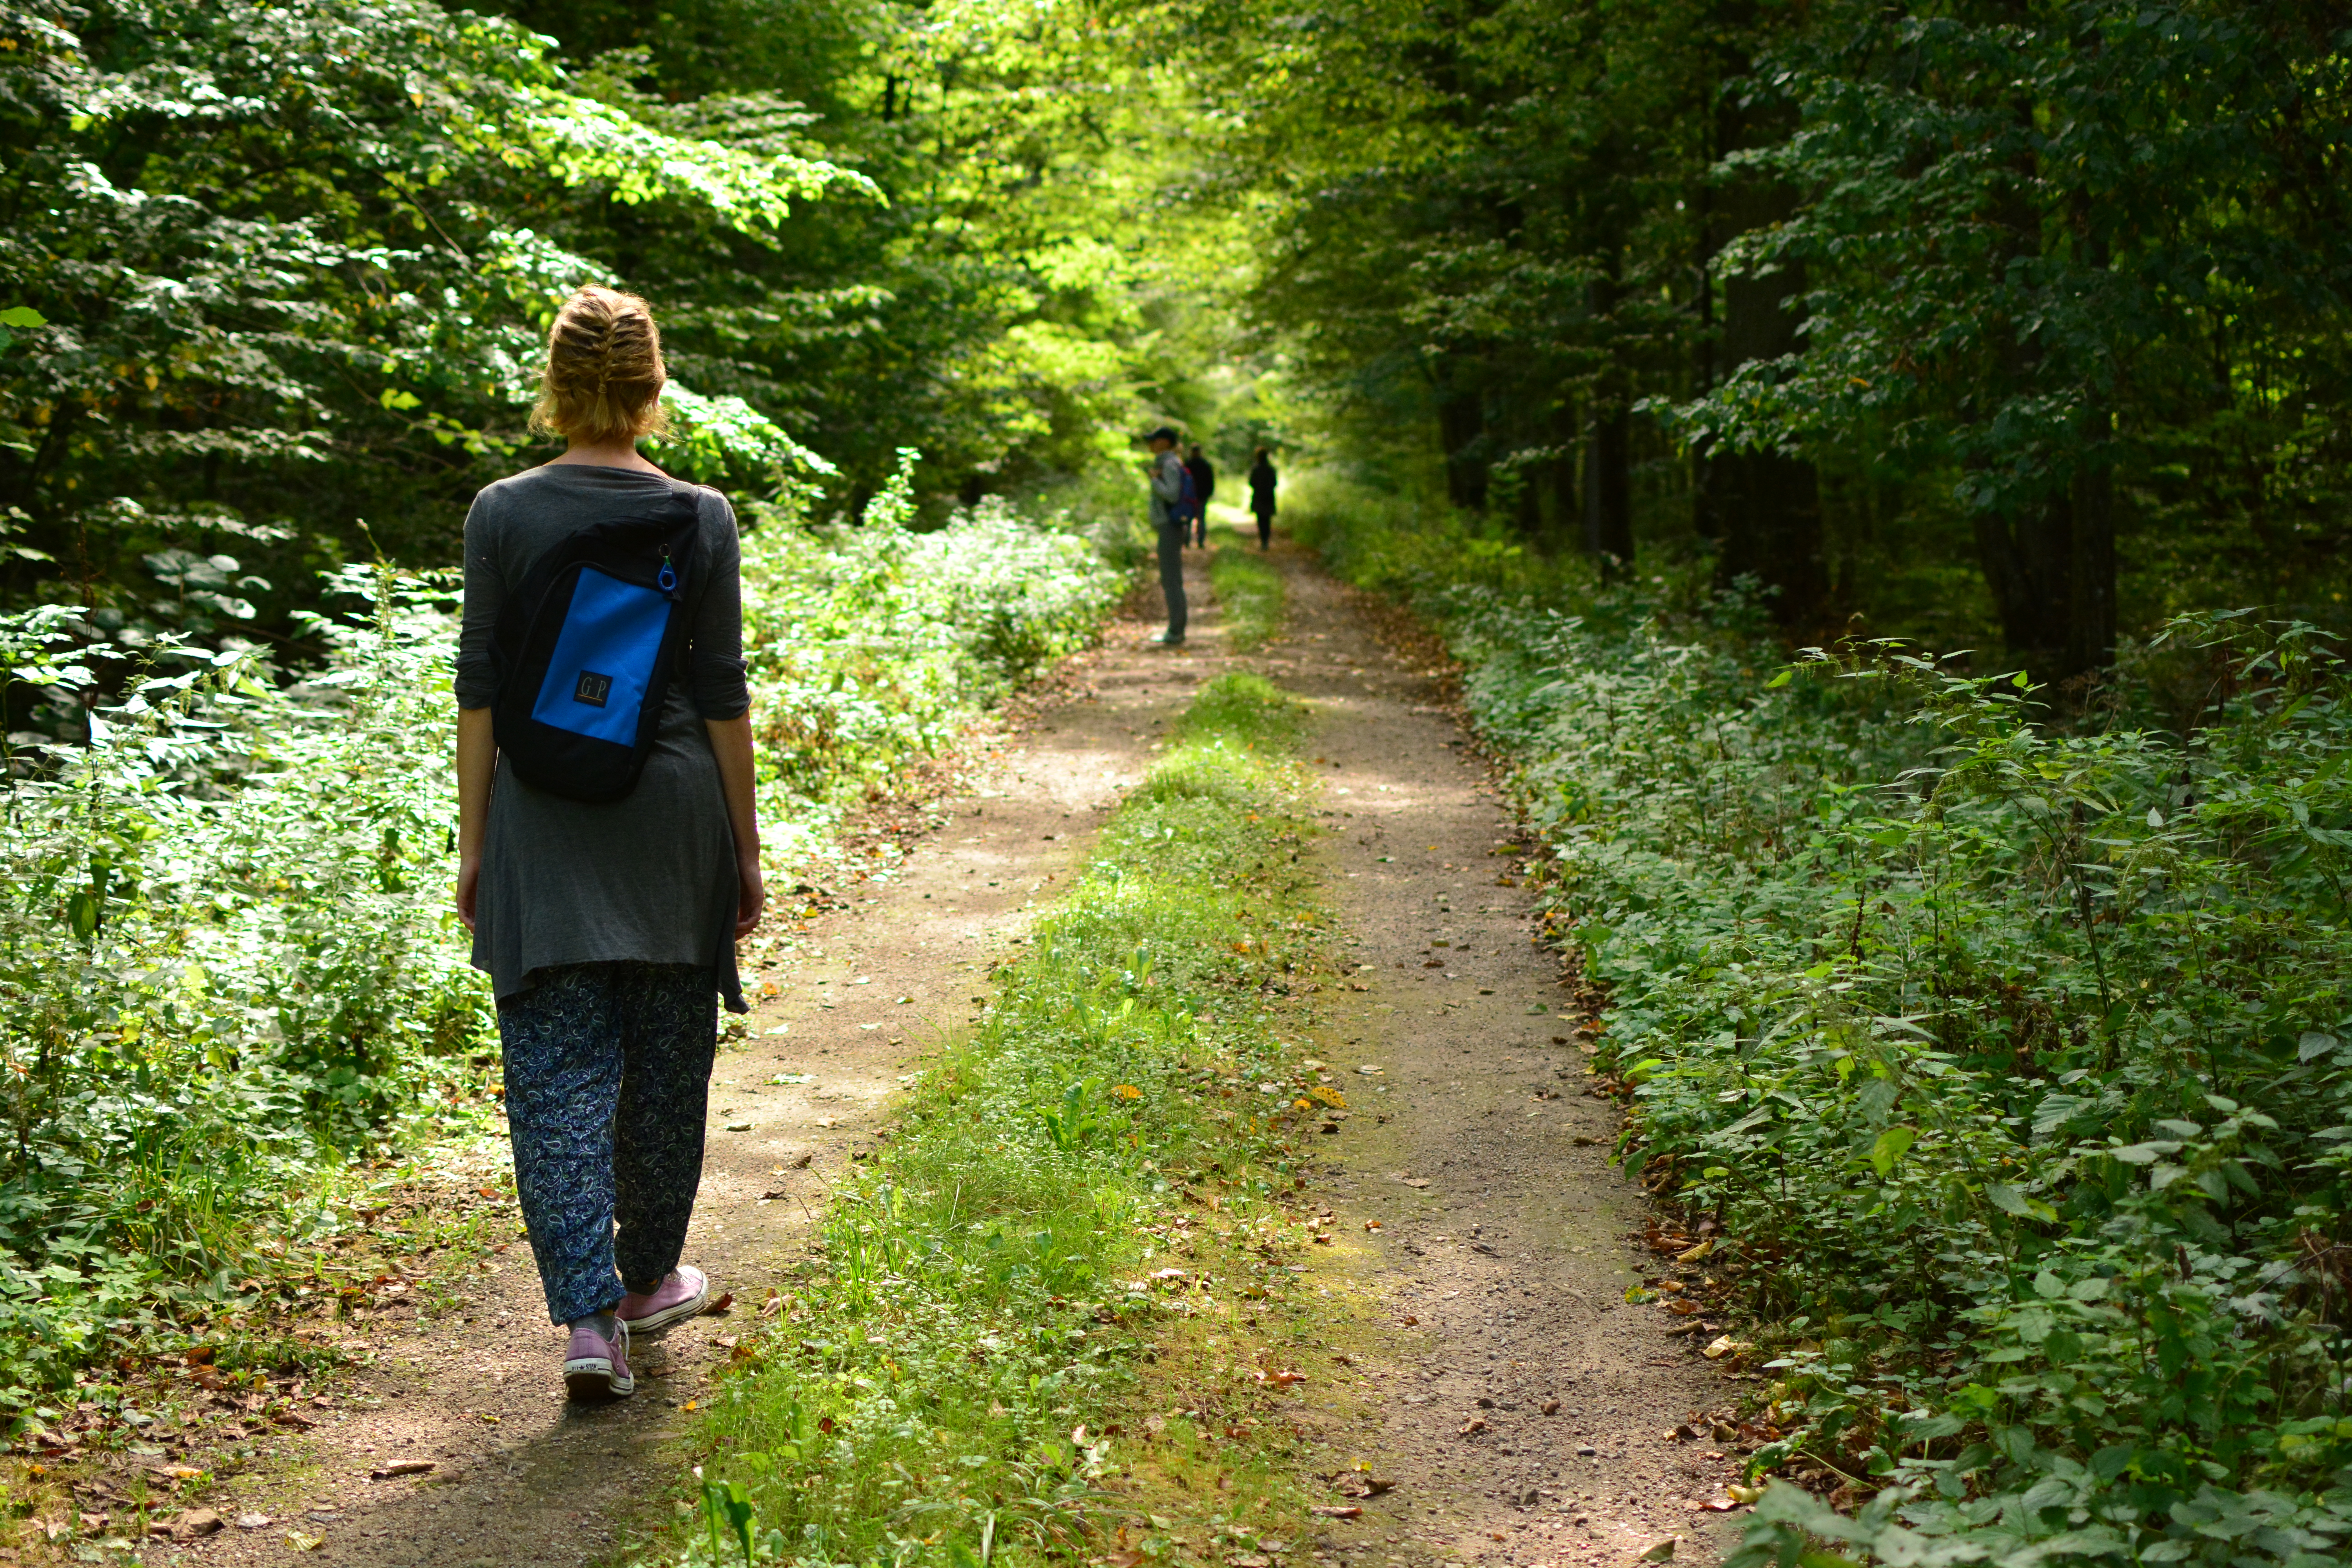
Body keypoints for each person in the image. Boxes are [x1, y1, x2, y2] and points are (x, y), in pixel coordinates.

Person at [453, 285, 765, 1402]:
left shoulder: (500, 510)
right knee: (667, 1072)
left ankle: (590, 1326)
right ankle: (645, 1284)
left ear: (555, 380)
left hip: (542, 823)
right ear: (653, 384)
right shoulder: (702, 515)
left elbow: (479, 692)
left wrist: (473, 845)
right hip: (674, 822)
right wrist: (748, 848)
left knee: (555, 1078)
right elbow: (722, 696)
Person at [1143, 426, 1187, 645]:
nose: (1150, 444)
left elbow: (1171, 495)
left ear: (1165, 442)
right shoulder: (1170, 463)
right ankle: (1175, 629)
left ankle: (1176, 632)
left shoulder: (1169, 464)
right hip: (1169, 526)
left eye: (1154, 439)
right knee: (1171, 579)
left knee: (1171, 580)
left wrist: (1154, 480)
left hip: (1170, 526)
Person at [1185, 444, 1216, 548]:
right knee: (1201, 519)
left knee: (1189, 519)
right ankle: (1200, 542)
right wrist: (1209, 493)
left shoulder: (1188, 465)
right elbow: (1210, 482)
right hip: (1201, 496)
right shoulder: (1205, 465)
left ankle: (1187, 542)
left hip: (1190, 496)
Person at [1247, 447, 1278, 550]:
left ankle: (1263, 541)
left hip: (1259, 498)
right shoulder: (1271, 469)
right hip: (1269, 498)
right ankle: (1266, 541)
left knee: (1261, 520)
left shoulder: (1256, 469)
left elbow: (1251, 483)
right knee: (1267, 520)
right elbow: (1275, 483)